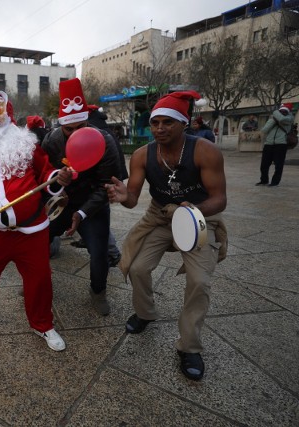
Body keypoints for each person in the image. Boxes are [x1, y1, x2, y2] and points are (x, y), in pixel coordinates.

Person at [106, 90, 228, 381]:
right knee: (136, 267)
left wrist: (191, 211)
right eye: (154, 123)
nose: (159, 128)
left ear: (183, 123)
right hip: (159, 217)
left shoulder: (204, 151)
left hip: (199, 218)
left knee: (199, 280)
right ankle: (145, 313)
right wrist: (123, 196)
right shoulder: (141, 155)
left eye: (167, 122)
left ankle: (189, 347)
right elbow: (133, 198)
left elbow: (219, 199)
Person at [0, 91, 72, 351]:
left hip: (31, 231)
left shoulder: (28, 145)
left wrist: (58, 178)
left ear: (7, 115)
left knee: (39, 279)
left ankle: (43, 324)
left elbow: (46, 173)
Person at [41, 78, 121, 316]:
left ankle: (98, 291)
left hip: (93, 205)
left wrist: (82, 212)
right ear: (61, 126)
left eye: (81, 127)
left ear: (88, 120)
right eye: (69, 129)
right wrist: (56, 181)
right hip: (62, 202)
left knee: (99, 251)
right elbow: (42, 174)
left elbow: (106, 185)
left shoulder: (105, 141)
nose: (76, 134)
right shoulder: (52, 140)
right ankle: (36, 281)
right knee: (37, 238)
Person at [70, 104, 128, 268]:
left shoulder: (100, 135)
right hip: (101, 181)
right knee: (95, 222)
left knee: (100, 220)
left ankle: (112, 253)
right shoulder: (100, 127)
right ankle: (99, 246)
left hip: (104, 182)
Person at [256, 104, 293, 187]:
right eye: (281, 111)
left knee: (278, 165)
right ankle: (264, 180)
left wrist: (275, 113)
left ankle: (275, 182)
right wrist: (274, 120)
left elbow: (282, 119)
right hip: (268, 143)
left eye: (284, 111)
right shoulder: (273, 118)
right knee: (264, 165)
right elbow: (265, 130)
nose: (282, 113)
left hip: (281, 144)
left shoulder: (289, 118)